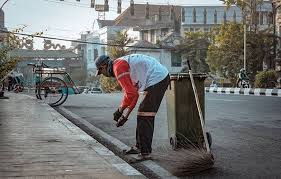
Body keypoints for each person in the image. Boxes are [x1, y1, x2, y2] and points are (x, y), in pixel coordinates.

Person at [95, 54, 170, 161]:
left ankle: (145, 153)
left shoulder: (118, 67)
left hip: (157, 78)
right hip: (157, 77)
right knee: (142, 113)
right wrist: (125, 116)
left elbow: (131, 94)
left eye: (101, 72)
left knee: (145, 115)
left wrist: (120, 110)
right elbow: (133, 94)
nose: (103, 75)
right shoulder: (120, 65)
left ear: (103, 67)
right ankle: (139, 147)